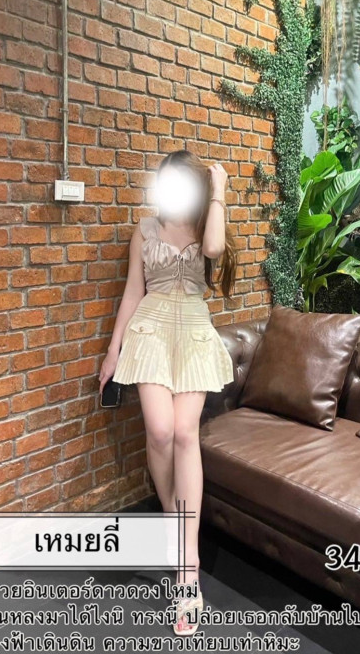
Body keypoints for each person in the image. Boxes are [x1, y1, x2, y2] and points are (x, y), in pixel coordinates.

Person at [99, 149, 237, 635]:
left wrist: (219, 189)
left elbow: (215, 250)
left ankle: (187, 567)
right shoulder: (145, 230)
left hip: (193, 331)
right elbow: (132, 292)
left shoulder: (205, 225)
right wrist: (113, 351)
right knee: (159, 432)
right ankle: (173, 518)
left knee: (183, 433)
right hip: (151, 330)